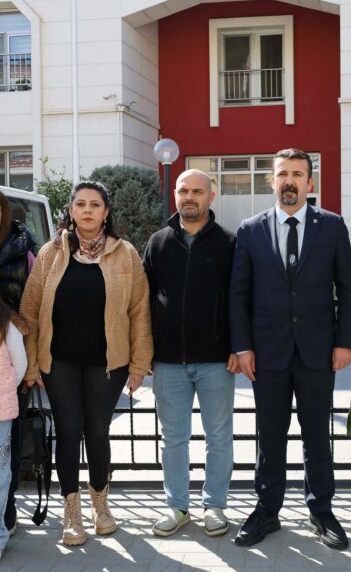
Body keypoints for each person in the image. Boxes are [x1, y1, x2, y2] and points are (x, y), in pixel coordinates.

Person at [230, 148, 351, 550]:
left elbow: (348, 290)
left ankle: (322, 510)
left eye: (297, 174)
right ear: (272, 181)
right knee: (269, 436)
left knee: (317, 435)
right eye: (282, 173)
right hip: (267, 353)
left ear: (310, 182)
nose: (289, 180)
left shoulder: (332, 226)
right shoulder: (250, 229)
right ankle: (267, 509)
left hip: (318, 351)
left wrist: (345, 342)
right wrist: (243, 347)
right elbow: (239, 294)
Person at [19, 180, 153, 546]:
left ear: (106, 212)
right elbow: (29, 309)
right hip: (58, 361)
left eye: (95, 204)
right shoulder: (51, 252)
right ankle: (72, 513)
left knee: (97, 431)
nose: (88, 210)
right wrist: (31, 365)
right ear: (71, 211)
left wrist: (139, 363)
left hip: (107, 363)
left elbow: (139, 310)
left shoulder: (125, 253)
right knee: (67, 431)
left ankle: (101, 506)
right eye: (81, 204)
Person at [143, 169, 237, 538]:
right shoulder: (158, 242)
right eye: (183, 190)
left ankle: (214, 506)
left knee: (219, 436)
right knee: (173, 438)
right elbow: (143, 301)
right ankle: (177, 506)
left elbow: (239, 300)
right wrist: (145, 351)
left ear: (211, 196)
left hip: (216, 359)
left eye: (197, 191)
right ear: (175, 195)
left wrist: (238, 347)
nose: (189, 197)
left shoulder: (229, 242)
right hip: (168, 361)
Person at [0, 191, 36, 536]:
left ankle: (6, 515)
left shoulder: (24, 248)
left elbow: (37, 303)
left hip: (11, 361)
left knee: (6, 451)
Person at [0, 298, 27, 560]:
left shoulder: (7, 325)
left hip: (1, 413)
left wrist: (6, 390)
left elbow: (19, 364)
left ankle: (0, 534)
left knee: (0, 475)